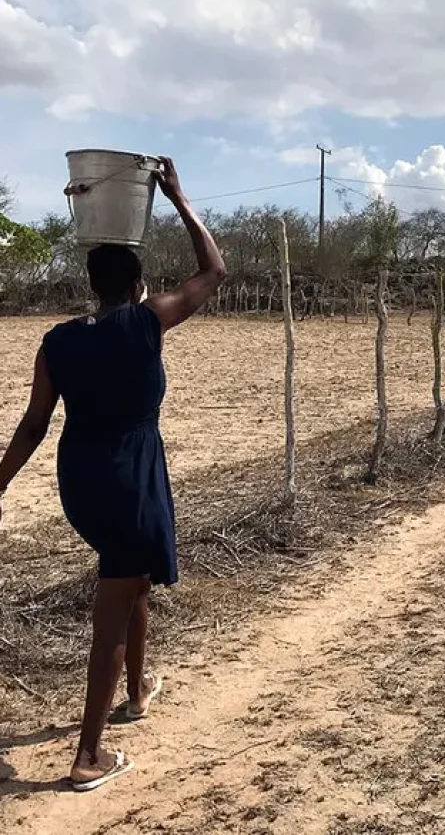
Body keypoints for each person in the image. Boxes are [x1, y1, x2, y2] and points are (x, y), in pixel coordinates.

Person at [0, 158, 225, 791]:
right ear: (137, 285)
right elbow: (214, 272)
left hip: (82, 485)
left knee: (133, 584)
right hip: (132, 482)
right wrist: (179, 197)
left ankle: (136, 694)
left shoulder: (58, 340)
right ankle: (88, 757)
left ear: (91, 285)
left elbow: (33, 424)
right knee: (112, 613)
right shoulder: (145, 322)